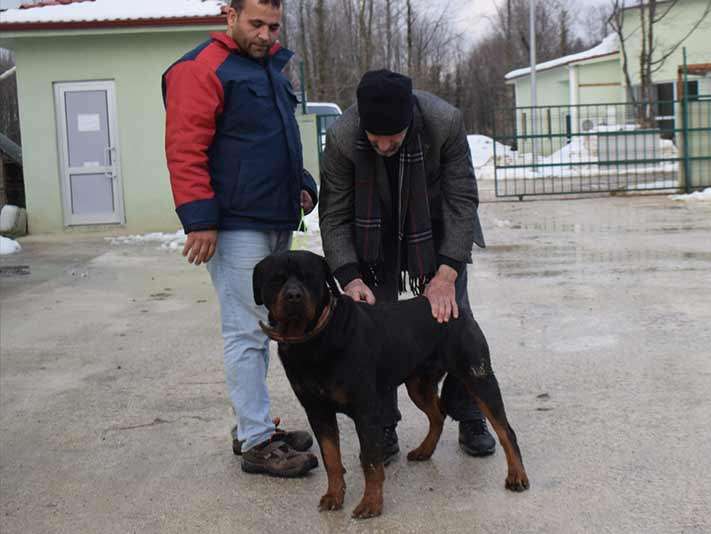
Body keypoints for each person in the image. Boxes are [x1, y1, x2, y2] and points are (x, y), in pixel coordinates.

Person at [162, 0, 320, 476]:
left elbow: (275, 141)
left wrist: (302, 184)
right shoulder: (200, 68)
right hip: (235, 223)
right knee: (246, 331)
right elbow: (185, 147)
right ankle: (256, 440)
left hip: (274, 217)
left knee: (266, 326)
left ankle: (253, 426)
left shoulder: (268, 68)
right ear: (229, 15)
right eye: (256, 24)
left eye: (273, 26)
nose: (266, 35)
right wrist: (200, 219)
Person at [318, 69, 496, 463]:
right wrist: (350, 278)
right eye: (375, 140)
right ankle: (382, 423)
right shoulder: (343, 136)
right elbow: (333, 215)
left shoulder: (444, 121)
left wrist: (446, 273)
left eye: (393, 140)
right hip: (372, 231)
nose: (384, 147)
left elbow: (462, 199)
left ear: (410, 122)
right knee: (371, 330)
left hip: (433, 225)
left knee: (455, 319)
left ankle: (468, 413)